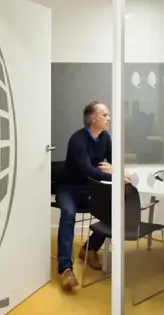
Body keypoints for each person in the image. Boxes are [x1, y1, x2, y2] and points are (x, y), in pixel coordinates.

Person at [54, 100, 129, 291]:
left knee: (114, 210)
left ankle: (89, 249)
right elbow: (87, 169)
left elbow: (114, 161)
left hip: (90, 189)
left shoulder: (105, 137)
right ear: (92, 118)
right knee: (68, 215)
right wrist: (113, 175)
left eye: (108, 115)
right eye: (105, 115)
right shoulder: (77, 140)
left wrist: (117, 169)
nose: (109, 119)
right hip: (68, 188)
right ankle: (65, 270)